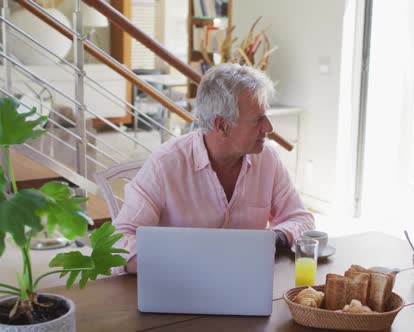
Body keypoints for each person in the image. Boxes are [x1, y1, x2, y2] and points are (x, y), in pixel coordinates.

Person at [113, 63, 314, 274]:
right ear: (221, 125)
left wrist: (276, 238)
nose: (269, 128)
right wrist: (180, 261)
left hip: (246, 284)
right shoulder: (166, 164)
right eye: (257, 120)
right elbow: (118, 242)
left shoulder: (268, 158)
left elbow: (301, 219)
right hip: (181, 287)